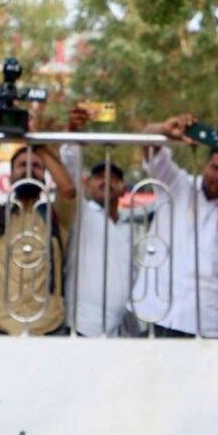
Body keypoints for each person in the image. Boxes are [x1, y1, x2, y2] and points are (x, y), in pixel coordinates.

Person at [129, 114, 218, 337]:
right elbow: (148, 141)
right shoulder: (177, 185)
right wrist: (163, 128)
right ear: (205, 165)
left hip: (206, 323)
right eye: (215, 168)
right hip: (155, 313)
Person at [0, 140, 77, 334]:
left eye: (36, 166)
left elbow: (69, 191)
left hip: (48, 328)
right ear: (10, 177)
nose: (29, 171)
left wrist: (39, 145)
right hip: (2, 327)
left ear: (45, 177)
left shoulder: (55, 217)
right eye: (22, 165)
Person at [60, 106, 136, 336]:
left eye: (113, 179)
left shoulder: (131, 227)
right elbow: (69, 167)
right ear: (88, 185)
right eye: (99, 178)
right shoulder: (83, 214)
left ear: (123, 189)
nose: (106, 182)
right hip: (83, 326)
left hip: (119, 331)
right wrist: (73, 133)